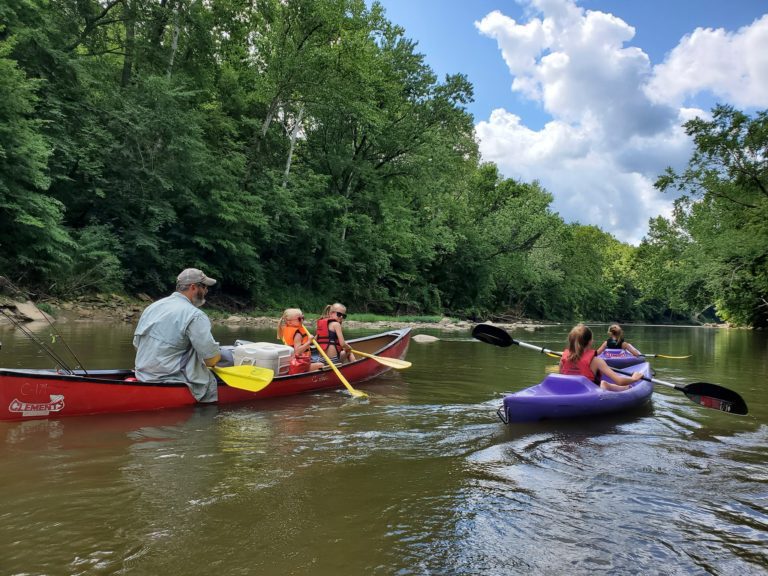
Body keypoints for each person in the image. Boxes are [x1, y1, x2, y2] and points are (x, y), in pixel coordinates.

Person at [133, 268, 223, 402]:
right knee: (209, 379)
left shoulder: (152, 307)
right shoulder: (195, 315)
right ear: (193, 287)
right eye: (204, 287)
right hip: (174, 380)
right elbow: (210, 359)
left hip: (143, 376)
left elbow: (137, 345)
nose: (206, 291)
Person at [560, 324, 643, 392]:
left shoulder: (563, 358)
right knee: (603, 383)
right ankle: (624, 387)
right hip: (590, 394)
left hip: (570, 391)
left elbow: (562, 377)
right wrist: (634, 378)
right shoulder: (597, 361)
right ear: (590, 341)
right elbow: (620, 381)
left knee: (603, 383)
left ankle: (617, 386)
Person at [277, 308, 323, 374]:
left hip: (293, 362)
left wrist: (315, 337)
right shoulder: (297, 334)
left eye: (303, 318)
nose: (302, 320)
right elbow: (297, 351)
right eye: (299, 319)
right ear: (289, 322)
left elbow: (304, 344)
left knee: (315, 361)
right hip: (298, 364)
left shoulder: (287, 329)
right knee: (321, 365)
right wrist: (309, 342)